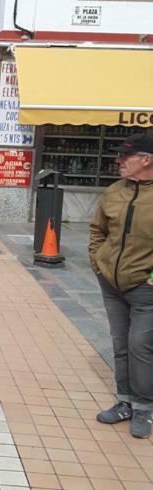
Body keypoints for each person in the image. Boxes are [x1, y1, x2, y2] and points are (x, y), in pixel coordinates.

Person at [90, 132, 153, 439]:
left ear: (146, 160)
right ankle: (125, 402)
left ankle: (143, 409)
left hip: (146, 288)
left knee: (140, 345)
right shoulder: (115, 191)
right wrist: (98, 264)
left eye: (126, 158)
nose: (119, 162)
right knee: (120, 345)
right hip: (111, 283)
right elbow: (97, 230)